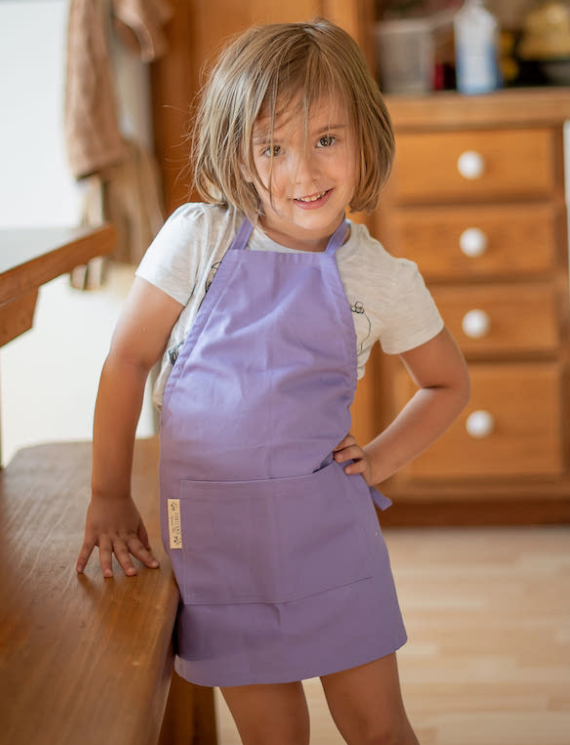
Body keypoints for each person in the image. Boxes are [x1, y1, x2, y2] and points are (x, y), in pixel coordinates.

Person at [76, 18, 470, 745]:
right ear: (239, 153)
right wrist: (106, 492)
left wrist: (381, 457)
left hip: (332, 543)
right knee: (273, 737)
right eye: (274, 147)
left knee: (379, 727)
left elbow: (447, 383)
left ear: (365, 135)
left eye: (327, 138)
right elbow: (126, 359)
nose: (305, 173)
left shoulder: (379, 276)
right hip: (218, 553)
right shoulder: (198, 238)